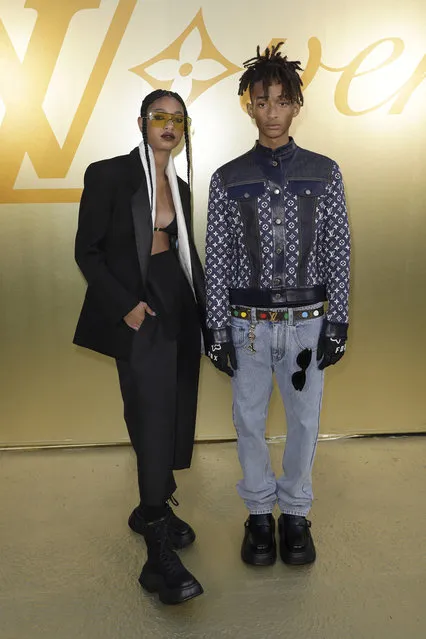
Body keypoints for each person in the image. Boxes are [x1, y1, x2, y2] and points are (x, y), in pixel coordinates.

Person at [205, 43, 350, 567]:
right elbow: (216, 259)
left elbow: (339, 249)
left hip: (308, 327)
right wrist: (216, 331)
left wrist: (339, 319)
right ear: (249, 105)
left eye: (282, 101)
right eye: (262, 102)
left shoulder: (324, 172)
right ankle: (259, 516)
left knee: (305, 421)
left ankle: (295, 515)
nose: (272, 113)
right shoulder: (227, 178)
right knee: (247, 419)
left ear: (296, 105)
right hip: (248, 327)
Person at [73, 89, 206, 604]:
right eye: (159, 117)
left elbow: (184, 254)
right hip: (137, 309)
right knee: (150, 414)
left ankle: (153, 504)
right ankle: (156, 553)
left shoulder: (184, 188)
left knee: (175, 408)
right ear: (141, 122)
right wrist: (125, 304)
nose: (168, 125)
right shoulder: (108, 174)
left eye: (177, 118)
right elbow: (86, 251)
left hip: (177, 302)